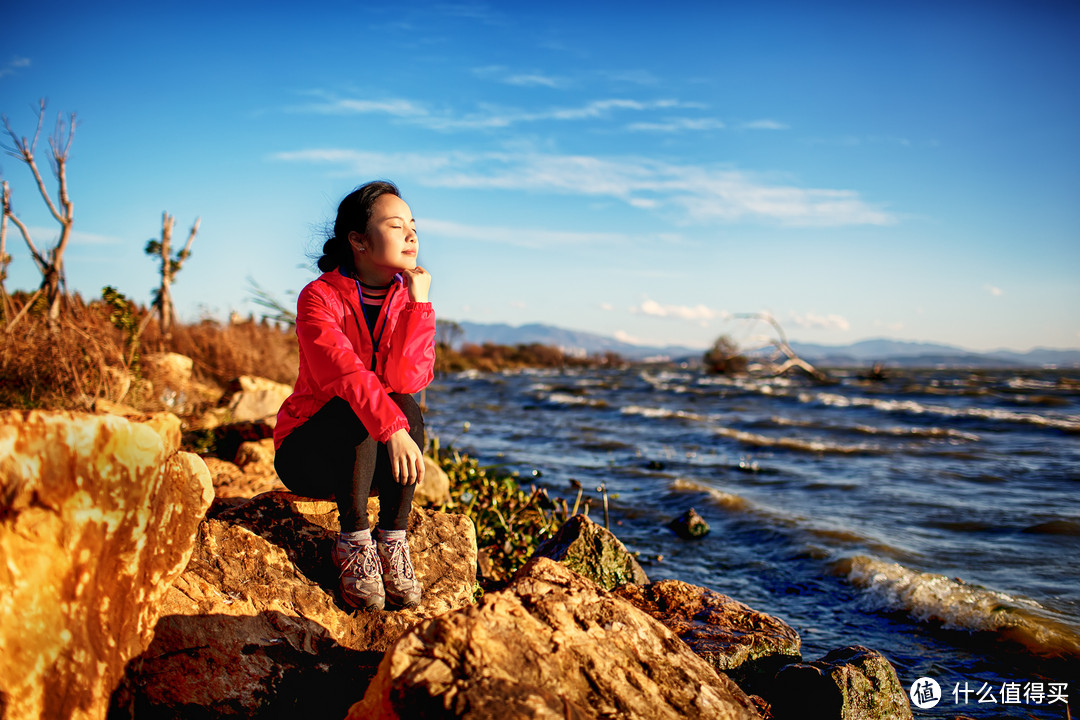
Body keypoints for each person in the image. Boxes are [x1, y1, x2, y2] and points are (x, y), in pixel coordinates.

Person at [273, 180, 436, 611]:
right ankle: (354, 541)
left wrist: (419, 307)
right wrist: (392, 430)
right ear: (358, 240)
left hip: (369, 459)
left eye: (413, 226)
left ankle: (392, 540)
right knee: (359, 405)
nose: (411, 235)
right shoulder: (319, 297)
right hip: (311, 453)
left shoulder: (406, 297)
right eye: (397, 225)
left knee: (406, 407)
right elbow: (343, 373)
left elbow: (408, 378)